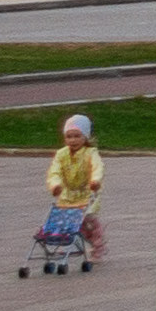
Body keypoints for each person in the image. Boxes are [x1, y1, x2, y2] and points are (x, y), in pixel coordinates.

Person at [32, 113, 104, 278]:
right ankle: (66, 239)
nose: (73, 140)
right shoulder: (61, 155)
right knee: (70, 223)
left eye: (77, 136)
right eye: (69, 137)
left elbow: (97, 167)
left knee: (89, 221)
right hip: (67, 195)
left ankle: (98, 243)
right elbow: (54, 171)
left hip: (87, 193)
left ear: (85, 137)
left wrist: (95, 181)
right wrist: (55, 185)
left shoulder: (90, 153)